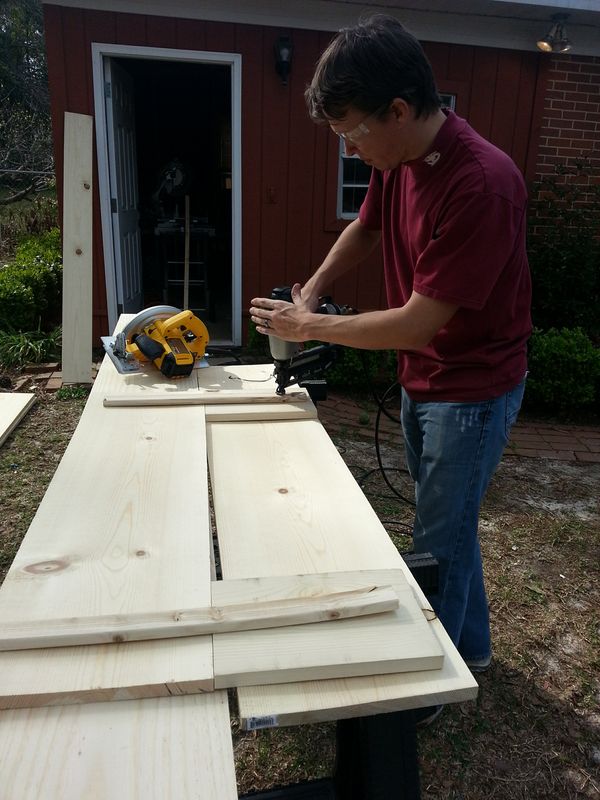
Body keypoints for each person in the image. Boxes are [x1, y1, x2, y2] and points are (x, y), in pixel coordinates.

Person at [250, 15, 531, 687]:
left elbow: (415, 325)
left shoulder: (481, 183)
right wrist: (313, 291)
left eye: (351, 131)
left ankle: (427, 686)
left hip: (472, 390)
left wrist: (309, 329)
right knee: (450, 525)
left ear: (398, 110)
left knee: (436, 542)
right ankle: (475, 649)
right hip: (426, 379)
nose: (349, 148)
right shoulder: (400, 158)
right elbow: (367, 228)